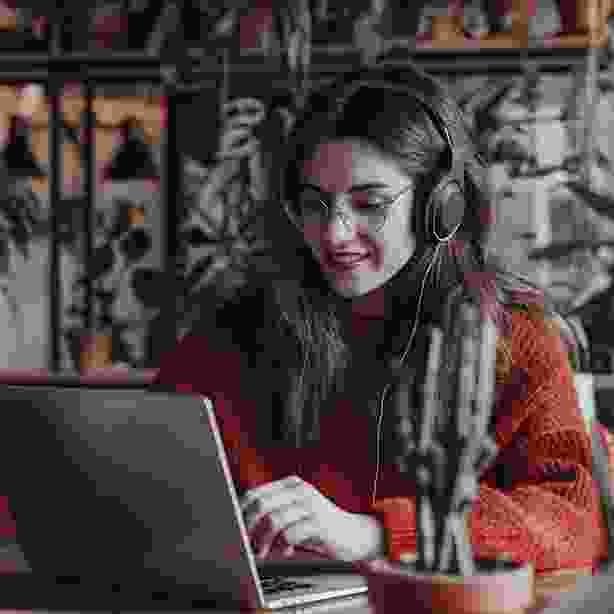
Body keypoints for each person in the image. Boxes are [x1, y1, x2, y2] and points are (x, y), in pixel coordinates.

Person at [153, 64, 609, 575]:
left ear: (440, 207)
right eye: (314, 204)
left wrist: (373, 533)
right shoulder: (232, 330)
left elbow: (573, 523)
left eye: (369, 203)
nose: (335, 234)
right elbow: (149, 472)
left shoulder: (515, 336)